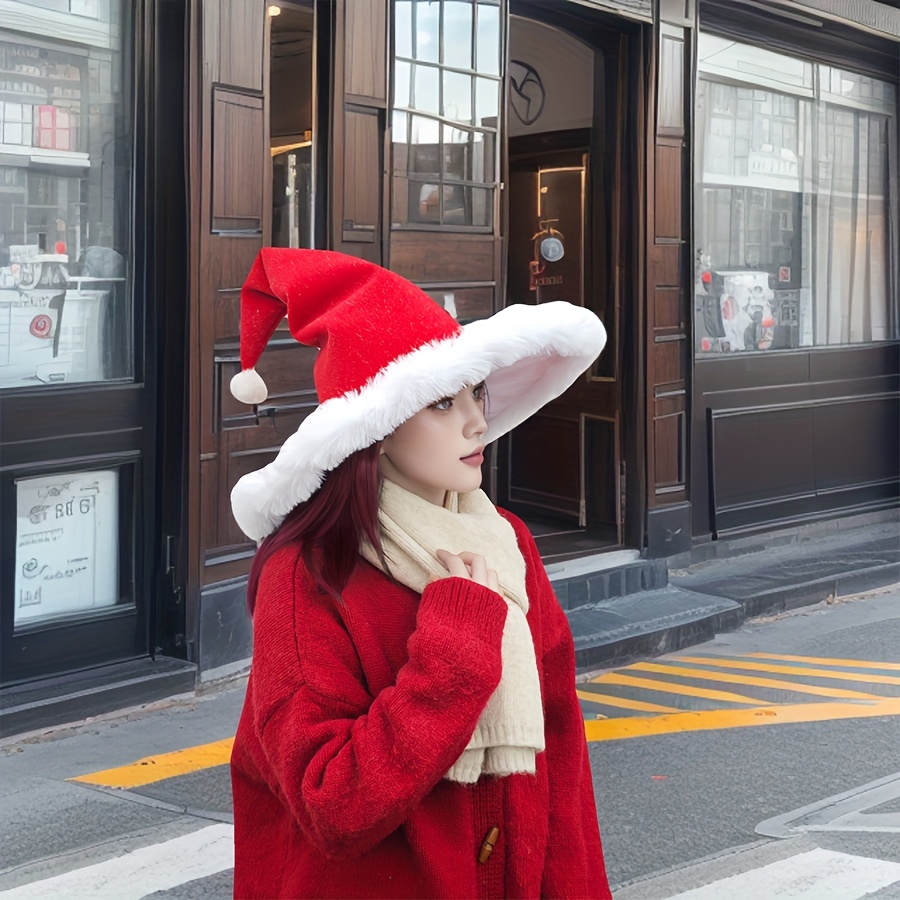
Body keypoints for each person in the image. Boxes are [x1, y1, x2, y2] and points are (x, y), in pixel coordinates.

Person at [229, 248, 613, 899]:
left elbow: (561, 754)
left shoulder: (506, 541)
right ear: (376, 430)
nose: (476, 420)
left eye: (477, 393)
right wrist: (454, 649)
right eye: (441, 402)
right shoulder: (309, 573)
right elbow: (332, 805)